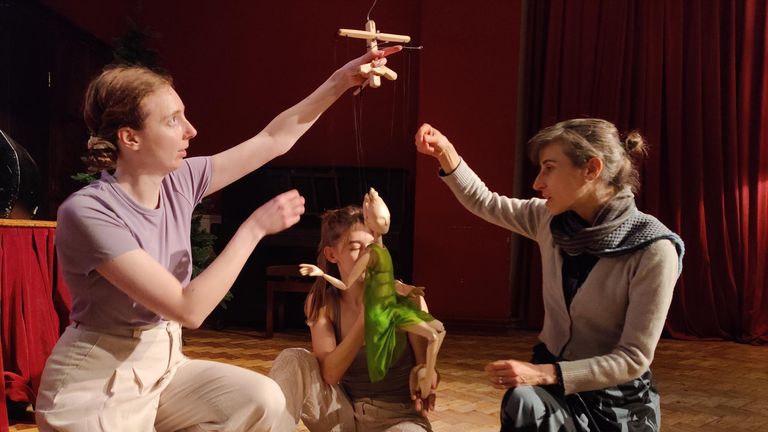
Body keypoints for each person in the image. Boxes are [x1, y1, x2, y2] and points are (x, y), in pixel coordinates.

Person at [34, 44, 401, 432]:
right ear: (131, 137)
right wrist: (254, 227)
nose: (191, 130)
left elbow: (274, 138)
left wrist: (340, 81)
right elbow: (188, 309)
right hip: (97, 385)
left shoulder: (180, 181)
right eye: (173, 120)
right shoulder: (89, 211)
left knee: (264, 401)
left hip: (163, 370)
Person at [415, 119, 684, 432]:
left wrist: (543, 373)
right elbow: (485, 201)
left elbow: (633, 359)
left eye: (549, 168)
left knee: (528, 392)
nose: (537, 183)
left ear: (591, 169)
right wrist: (445, 153)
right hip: (551, 386)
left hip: (617, 405)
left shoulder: (653, 249)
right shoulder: (549, 219)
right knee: (523, 401)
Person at [269, 204, 438, 432]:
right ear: (332, 254)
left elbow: (426, 367)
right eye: (355, 247)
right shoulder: (323, 303)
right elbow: (330, 373)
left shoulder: (408, 299)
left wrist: (427, 378)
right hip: (344, 417)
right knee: (293, 359)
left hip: (401, 420)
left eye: (371, 246)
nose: (367, 255)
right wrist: (364, 320)